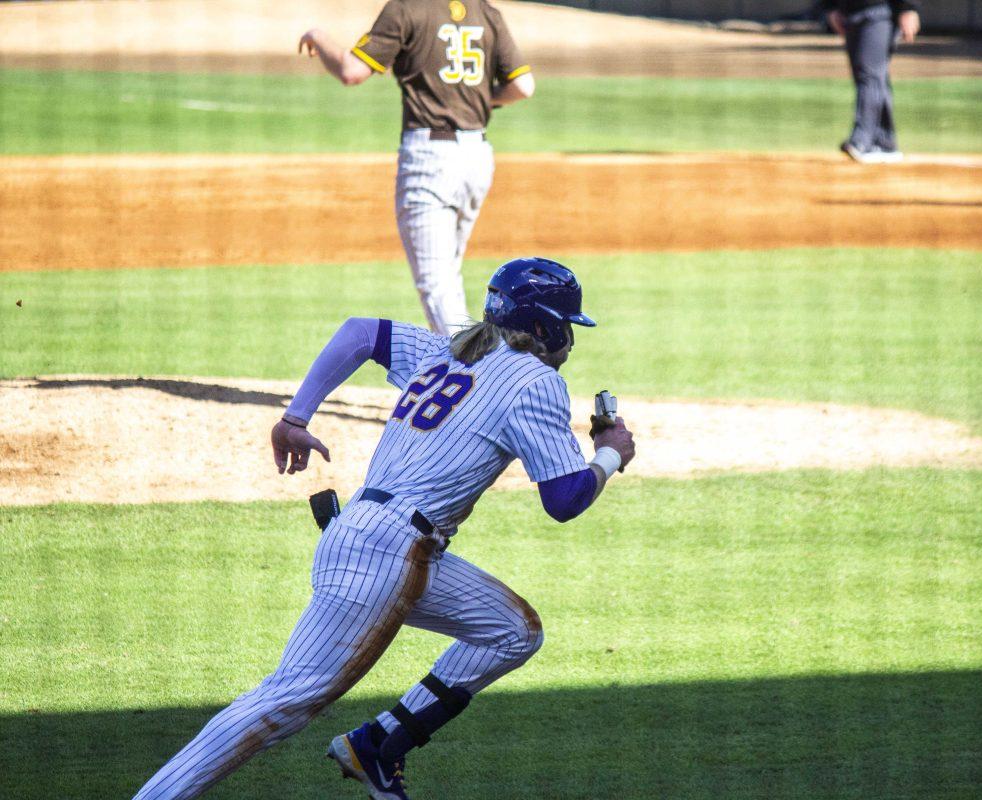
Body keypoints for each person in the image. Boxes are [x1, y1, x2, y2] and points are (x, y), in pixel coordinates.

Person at [131, 258, 637, 800]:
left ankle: (378, 744)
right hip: (387, 555)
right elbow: (564, 500)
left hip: (379, 538)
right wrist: (608, 455)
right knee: (287, 699)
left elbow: (358, 333)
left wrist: (296, 417)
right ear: (543, 327)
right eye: (567, 326)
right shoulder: (536, 382)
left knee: (513, 632)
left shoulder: (450, 351)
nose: (570, 341)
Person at [298, 1, 535, 334]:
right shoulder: (485, 11)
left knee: (436, 284)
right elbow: (523, 86)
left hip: (430, 160)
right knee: (447, 276)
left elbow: (351, 71)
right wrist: (478, 98)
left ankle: (473, 372)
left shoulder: (408, 8)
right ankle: (471, 364)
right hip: (477, 157)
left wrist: (318, 36)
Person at [823, 0, 921, 164]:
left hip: (881, 11)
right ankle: (884, 142)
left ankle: (861, 140)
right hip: (850, 12)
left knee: (869, 76)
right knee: (872, 76)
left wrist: (908, 8)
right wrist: (831, 7)